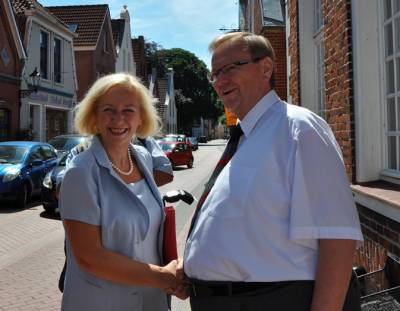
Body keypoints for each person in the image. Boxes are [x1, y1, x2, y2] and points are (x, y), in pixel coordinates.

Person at [182, 32, 363, 310]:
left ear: (265, 68)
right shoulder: (246, 138)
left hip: (273, 301)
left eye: (229, 68)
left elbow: (337, 237)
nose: (220, 81)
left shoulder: (299, 129)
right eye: (215, 74)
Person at [59, 73, 182, 310]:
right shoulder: (81, 172)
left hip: (151, 299)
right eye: (108, 110)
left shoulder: (143, 158)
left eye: (128, 110)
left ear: (141, 118)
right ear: (94, 116)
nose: (118, 119)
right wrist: (163, 276)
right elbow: (89, 257)